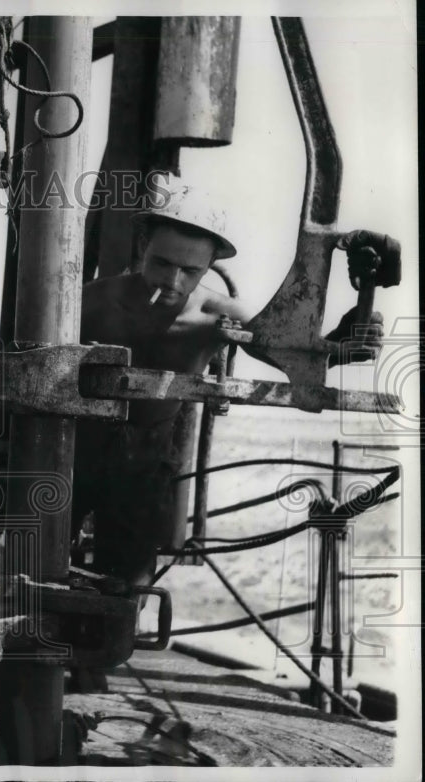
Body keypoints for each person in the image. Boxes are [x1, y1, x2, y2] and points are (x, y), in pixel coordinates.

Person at [73, 175, 390, 585]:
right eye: (162, 264)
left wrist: (347, 338)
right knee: (38, 563)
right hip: (75, 447)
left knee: (126, 584)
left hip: (147, 461)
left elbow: (300, 357)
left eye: (189, 271)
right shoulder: (88, 301)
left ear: (208, 267)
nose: (172, 282)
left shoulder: (216, 314)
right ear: (142, 248)